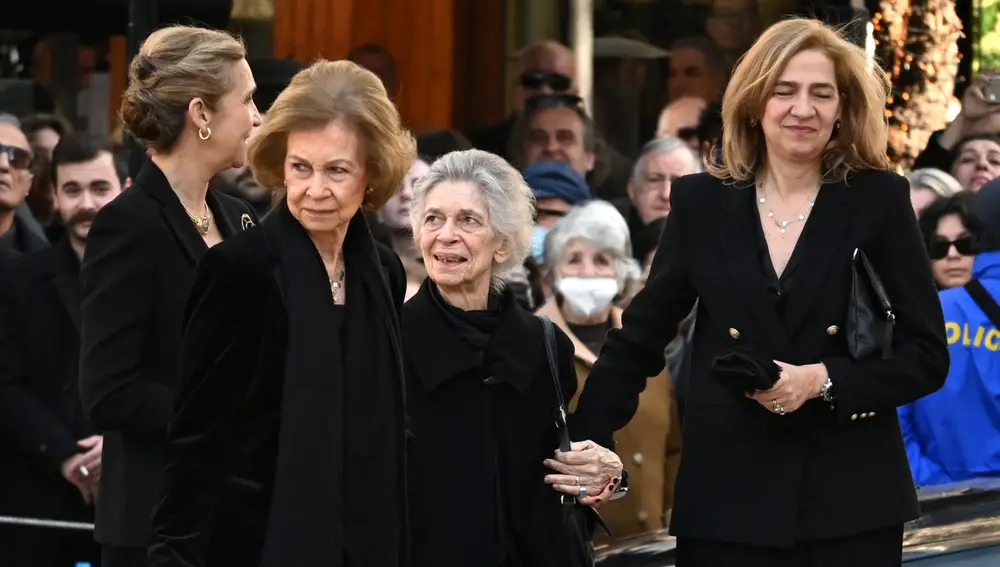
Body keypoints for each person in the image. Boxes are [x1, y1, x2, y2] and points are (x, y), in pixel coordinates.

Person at [569, 18, 950, 566]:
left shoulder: (880, 200)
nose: (803, 109)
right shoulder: (702, 203)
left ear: (843, 108)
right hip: (728, 499)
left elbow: (927, 356)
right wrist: (589, 435)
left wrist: (821, 380)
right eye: (785, 90)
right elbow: (642, 338)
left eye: (822, 93)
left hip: (851, 504)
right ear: (754, 102)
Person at [148, 59, 415, 566]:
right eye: (300, 167)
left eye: (337, 170)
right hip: (256, 544)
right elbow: (195, 437)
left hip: (367, 538)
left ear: (372, 173)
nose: (315, 190)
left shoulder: (382, 273)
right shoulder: (238, 271)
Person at [78, 26, 261, 567]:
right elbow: (109, 392)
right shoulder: (128, 225)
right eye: (248, 99)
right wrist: (223, 409)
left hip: (233, 516)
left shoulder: (239, 217)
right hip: (154, 526)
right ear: (201, 113)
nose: (258, 116)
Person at [403, 149, 624, 566]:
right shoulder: (389, 339)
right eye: (433, 219)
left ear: (502, 244)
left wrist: (608, 473)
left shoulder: (545, 344)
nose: (446, 234)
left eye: (468, 220)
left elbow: (591, 460)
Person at [0, 133, 126, 567]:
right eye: (73, 189)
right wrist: (67, 457)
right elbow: (5, 384)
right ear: (53, 196)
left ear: (125, 191)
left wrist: (121, 447)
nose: (87, 203)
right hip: (38, 500)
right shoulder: (17, 281)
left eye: (100, 188)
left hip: (132, 497)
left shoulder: (161, 277)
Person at [536, 200, 681, 539]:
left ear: (621, 272)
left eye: (601, 260)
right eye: (574, 259)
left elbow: (673, 448)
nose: (587, 272)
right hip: (576, 546)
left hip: (654, 548)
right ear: (554, 271)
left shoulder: (644, 346)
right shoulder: (534, 345)